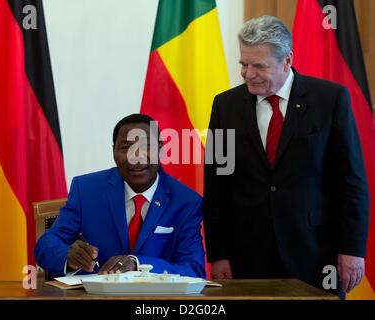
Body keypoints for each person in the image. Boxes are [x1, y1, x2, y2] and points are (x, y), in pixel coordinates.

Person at [203, 15, 369, 295]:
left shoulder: (330, 100)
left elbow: (350, 182)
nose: (248, 73)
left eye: (259, 66)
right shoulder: (225, 106)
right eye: (243, 64)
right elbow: (217, 183)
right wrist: (217, 254)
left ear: (287, 61)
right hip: (247, 255)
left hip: (316, 253)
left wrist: (352, 249)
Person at [35, 114, 205, 278]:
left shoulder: (186, 202)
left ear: (161, 151)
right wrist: (68, 257)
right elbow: (47, 244)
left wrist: (138, 264)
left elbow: (194, 269)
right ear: (113, 151)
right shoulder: (86, 189)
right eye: (126, 148)